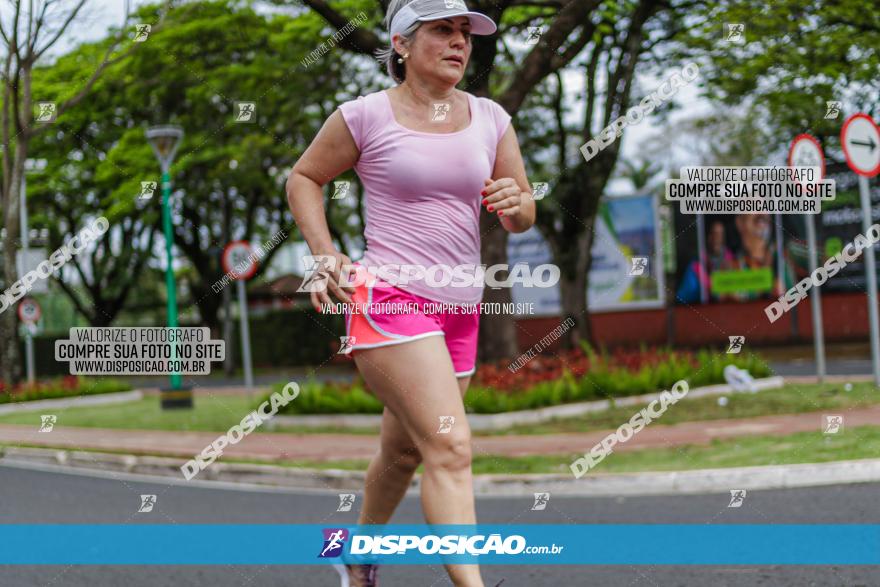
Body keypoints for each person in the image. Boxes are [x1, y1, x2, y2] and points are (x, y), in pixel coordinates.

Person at [286, 0, 535, 584]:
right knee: (451, 448)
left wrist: (518, 205)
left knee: (404, 453)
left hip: (461, 309)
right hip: (389, 299)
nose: (459, 43)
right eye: (442, 31)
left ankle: (358, 553)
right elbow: (304, 177)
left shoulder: (491, 117)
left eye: (464, 33)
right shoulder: (365, 116)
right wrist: (326, 254)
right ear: (400, 43)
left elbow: (522, 210)